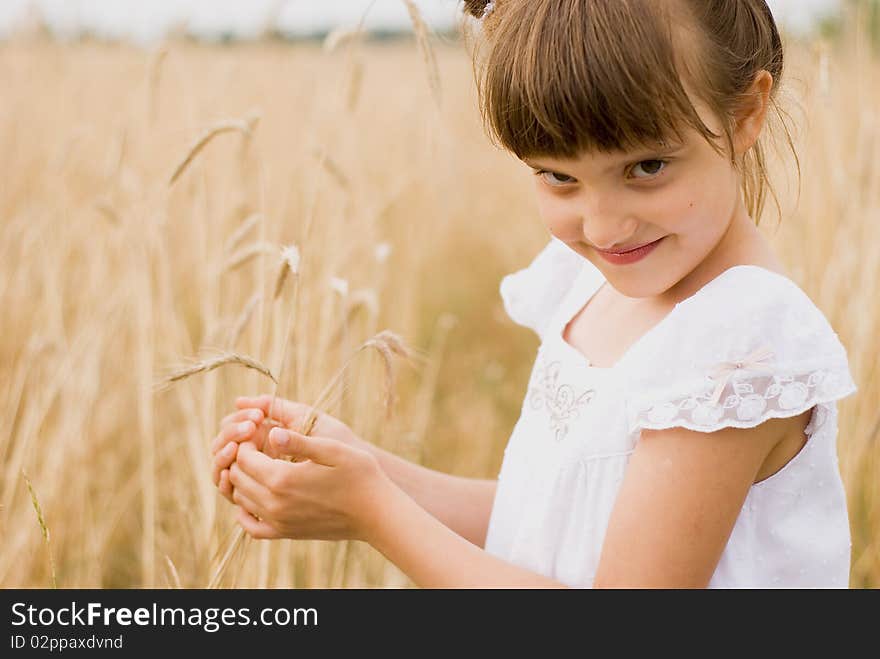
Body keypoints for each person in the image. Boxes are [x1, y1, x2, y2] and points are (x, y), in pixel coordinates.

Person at [209, 0, 858, 588]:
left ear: (746, 113)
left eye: (647, 167)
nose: (604, 225)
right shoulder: (602, 281)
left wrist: (375, 511)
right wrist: (361, 469)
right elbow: (550, 515)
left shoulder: (736, 345)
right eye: (558, 176)